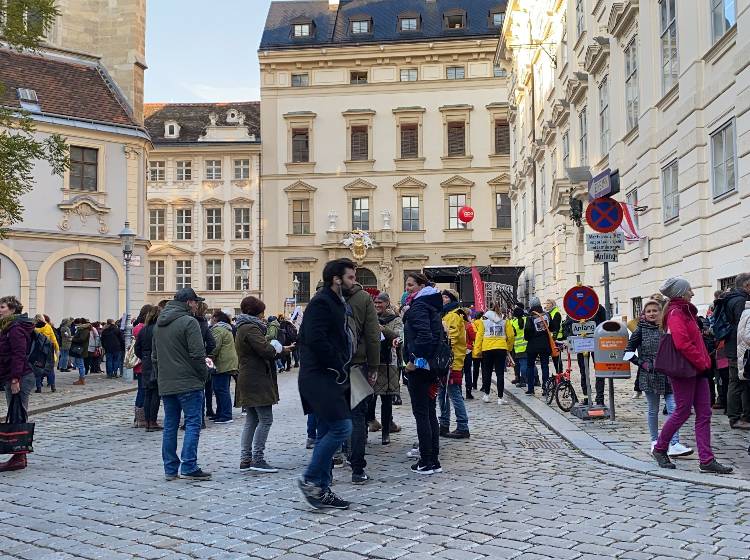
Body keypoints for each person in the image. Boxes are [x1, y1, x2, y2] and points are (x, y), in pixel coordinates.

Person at [651, 278, 733, 474]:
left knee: (704, 413)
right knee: (683, 411)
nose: (693, 293)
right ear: (681, 292)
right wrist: (703, 362)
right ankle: (661, 448)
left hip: (696, 369)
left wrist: (702, 363)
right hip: (686, 370)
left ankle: (706, 459)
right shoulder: (676, 313)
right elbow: (682, 344)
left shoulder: (684, 311)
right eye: (690, 290)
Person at [297, 258, 356, 510]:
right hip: (320, 376)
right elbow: (315, 338)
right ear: (336, 279)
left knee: (326, 431)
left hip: (329, 374)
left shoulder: (335, 302)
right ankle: (310, 478)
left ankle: (321, 489)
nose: (354, 281)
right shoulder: (322, 302)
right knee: (342, 428)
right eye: (351, 277)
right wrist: (338, 362)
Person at [153, 288, 211, 481]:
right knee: (193, 423)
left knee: (170, 425)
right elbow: (197, 354)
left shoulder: (159, 324)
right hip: (189, 382)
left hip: (167, 382)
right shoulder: (189, 322)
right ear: (188, 302)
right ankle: (189, 465)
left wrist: (161, 378)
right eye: (195, 302)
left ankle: (170, 469)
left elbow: (155, 357)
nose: (197, 305)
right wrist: (203, 376)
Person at [626, 299, 692, 458]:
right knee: (653, 410)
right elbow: (627, 352)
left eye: (655, 310)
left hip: (670, 374)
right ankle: (654, 441)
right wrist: (643, 364)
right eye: (648, 311)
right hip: (650, 375)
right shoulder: (640, 330)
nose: (651, 314)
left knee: (674, 409)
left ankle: (674, 443)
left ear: (661, 312)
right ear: (644, 314)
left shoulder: (668, 327)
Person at [235, 297, 285, 473]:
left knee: (252, 420)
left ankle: (245, 459)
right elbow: (265, 350)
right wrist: (280, 349)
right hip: (255, 378)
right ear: (256, 312)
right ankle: (257, 458)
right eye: (262, 312)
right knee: (265, 419)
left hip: (249, 377)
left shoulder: (243, 326)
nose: (264, 315)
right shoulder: (250, 328)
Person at [402, 272, 444, 475]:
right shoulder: (431, 304)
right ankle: (433, 460)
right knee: (429, 413)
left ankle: (426, 461)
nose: (407, 288)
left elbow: (425, 337)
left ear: (420, 286)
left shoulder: (419, 306)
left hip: (421, 368)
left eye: (410, 285)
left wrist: (413, 361)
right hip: (433, 367)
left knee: (422, 414)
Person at [343, 268, 380, 484]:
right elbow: (373, 336)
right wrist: (374, 366)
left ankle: (328, 468)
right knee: (357, 418)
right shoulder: (363, 297)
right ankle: (357, 469)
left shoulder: (322, 296)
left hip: (331, 369)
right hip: (357, 366)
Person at [0, 296, 35, 472]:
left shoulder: (15, 328)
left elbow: (18, 354)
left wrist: (15, 379)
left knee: (18, 415)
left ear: (13, 309)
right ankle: (18, 454)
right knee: (16, 413)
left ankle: (19, 457)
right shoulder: (7, 327)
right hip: (11, 375)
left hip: (20, 377)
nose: (0, 309)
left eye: (3, 307)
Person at [372, 292, 403, 445]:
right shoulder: (370, 317)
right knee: (369, 398)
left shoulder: (396, 319)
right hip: (372, 363)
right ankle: (368, 424)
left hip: (388, 363)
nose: (377, 305)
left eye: (380, 303)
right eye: (375, 303)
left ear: (387, 303)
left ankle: (386, 433)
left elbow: (399, 336)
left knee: (386, 399)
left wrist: (382, 329)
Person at [438, 289, 470, 439]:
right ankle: (443, 424)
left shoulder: (454, 315)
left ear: (451, 299)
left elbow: (451, 337)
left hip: (452, 360)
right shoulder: (449, 314)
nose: (443, 299)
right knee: (443, 393)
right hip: (448, 359)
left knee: (453, 393)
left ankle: (462, 426)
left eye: (445, 297)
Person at [721, 273, 750, 430]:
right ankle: (735, 418)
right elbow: (743, 327)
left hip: (735, 346)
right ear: (746, 285)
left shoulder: (733, 298)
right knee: (737, 382)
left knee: (741, 382)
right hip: (738, 347)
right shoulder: (740, 301)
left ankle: (742, 416)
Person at [475, 303, 514, 405]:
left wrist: (477, 351)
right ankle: (500, 398)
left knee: (487, 372)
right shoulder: (505, 320)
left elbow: (479, 336)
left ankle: (486, 395)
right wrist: (508, 348)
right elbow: (510, 336)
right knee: (500, 373)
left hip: (487, 348)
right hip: (501, 348)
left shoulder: (483, 320)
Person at [134, 306, 162, 432]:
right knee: (155, 392)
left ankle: (147, 421)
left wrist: (144, 356)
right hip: (156, 361)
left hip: (145, 361)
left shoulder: (143, 330)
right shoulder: (159, 330)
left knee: (147, 393)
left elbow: (137, 349)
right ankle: (152, 421)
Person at [209, 311, 238, 424]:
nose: (211, 319)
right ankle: (220, 413)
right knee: (220, 388)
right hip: (227, 362)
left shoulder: (218, 329)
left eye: (212, 317)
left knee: (221, 389)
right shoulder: (226, 328)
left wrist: (209, 356)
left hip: (222, 362)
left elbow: (215, 346)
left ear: (216, 318)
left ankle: (226, 415)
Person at [524, 297, 552, 396]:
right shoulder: (547, 315)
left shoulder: (530, 317)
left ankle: (531, 388)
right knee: (545, 366)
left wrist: (529, 338)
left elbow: (527, 332)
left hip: (533, 345)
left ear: (531, 306)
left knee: (530, 366)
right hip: (545, 344)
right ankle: (546, 388)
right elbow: (551, 327)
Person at [132, 305, 153, 428]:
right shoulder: (142, 328)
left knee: (141, 390)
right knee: (143, 391)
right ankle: (140, 418)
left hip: (140, 363)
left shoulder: (137, 327)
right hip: (143, 364)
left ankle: (138, 417)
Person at [32, 314, 59, 393]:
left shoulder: (34, 328)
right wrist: (57, 348)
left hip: (38, 350)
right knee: (50, 368)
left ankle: (39, 387)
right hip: (48, 350)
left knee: (38, 368)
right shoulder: (48, 326)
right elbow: (53, 338)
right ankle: (53, 386)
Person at [543, 299, 564, 375]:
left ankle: (560, 374)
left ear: (552, 304)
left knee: (557, 359)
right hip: (552, 338)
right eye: (546, 303)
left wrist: (554, 338)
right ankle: (558, 374)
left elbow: (556, 327)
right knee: (555, 358)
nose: (547, 305)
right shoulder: (549, 313)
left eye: (548, 303)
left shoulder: (556, 313)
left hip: (556, 339)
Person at [510, 306, 528, 387]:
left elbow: (511, 335)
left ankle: (523, 381)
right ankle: (536, 379)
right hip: (527, 345)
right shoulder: (526, 320)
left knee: (522, 365)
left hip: (518, 347)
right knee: (530, 363)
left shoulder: (513, 322)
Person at [70, 319, 91, 385]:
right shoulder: (82, 329)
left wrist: (73, 339)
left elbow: (82, 339)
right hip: (80, 348)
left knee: (81, 365)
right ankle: (81, 379)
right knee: (79, 364)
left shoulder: (84, 330)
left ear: (82, 323)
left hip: (81, 349)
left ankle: (82, 379)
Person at [462, 309, 476, 399]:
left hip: (458, 350)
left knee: (459, 372)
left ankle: (459, 392)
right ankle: (468, 392)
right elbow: (474, 337)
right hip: (467, 350)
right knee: (467, 372)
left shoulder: (458, 324)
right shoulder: (469, 325)